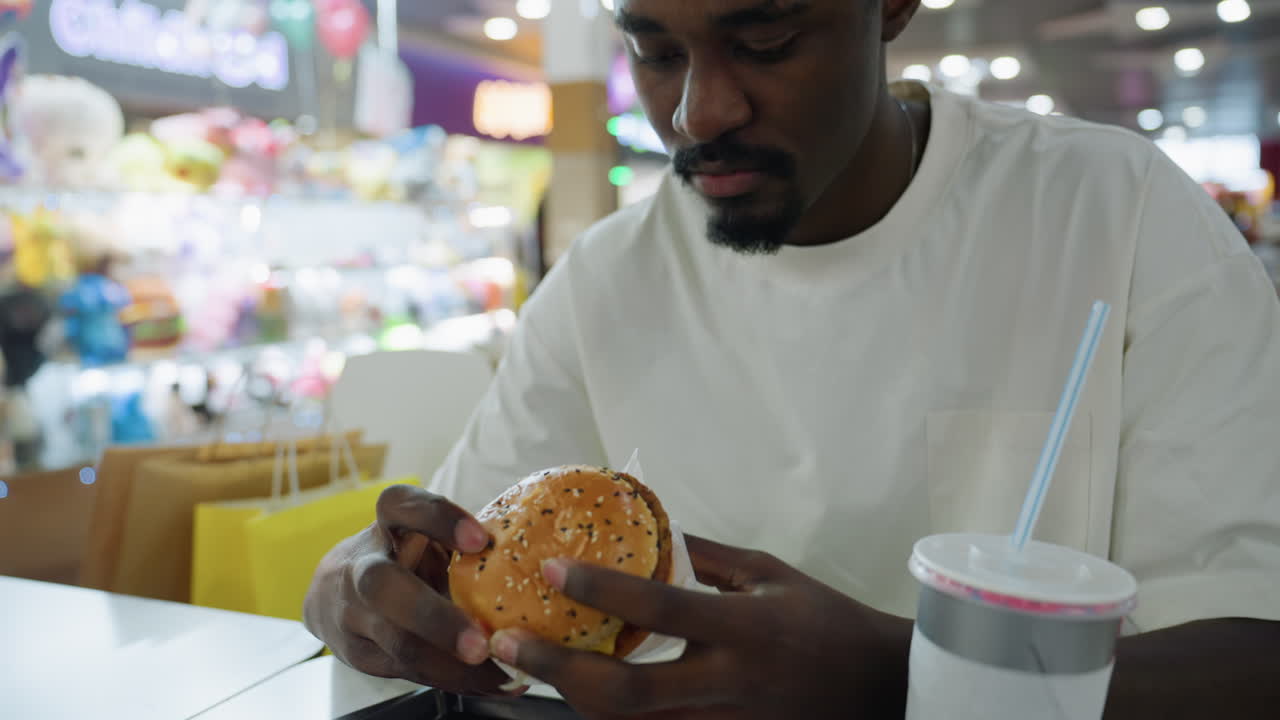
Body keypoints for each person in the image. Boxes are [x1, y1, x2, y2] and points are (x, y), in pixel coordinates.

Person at [304, 1, 1280, 717]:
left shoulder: (1114, 213)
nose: (697, 110)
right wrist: (367, 583)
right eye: (653, 51)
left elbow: (1253, 649)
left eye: (763, 42)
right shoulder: (607, 277)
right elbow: (461, 550)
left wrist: (893, 678)